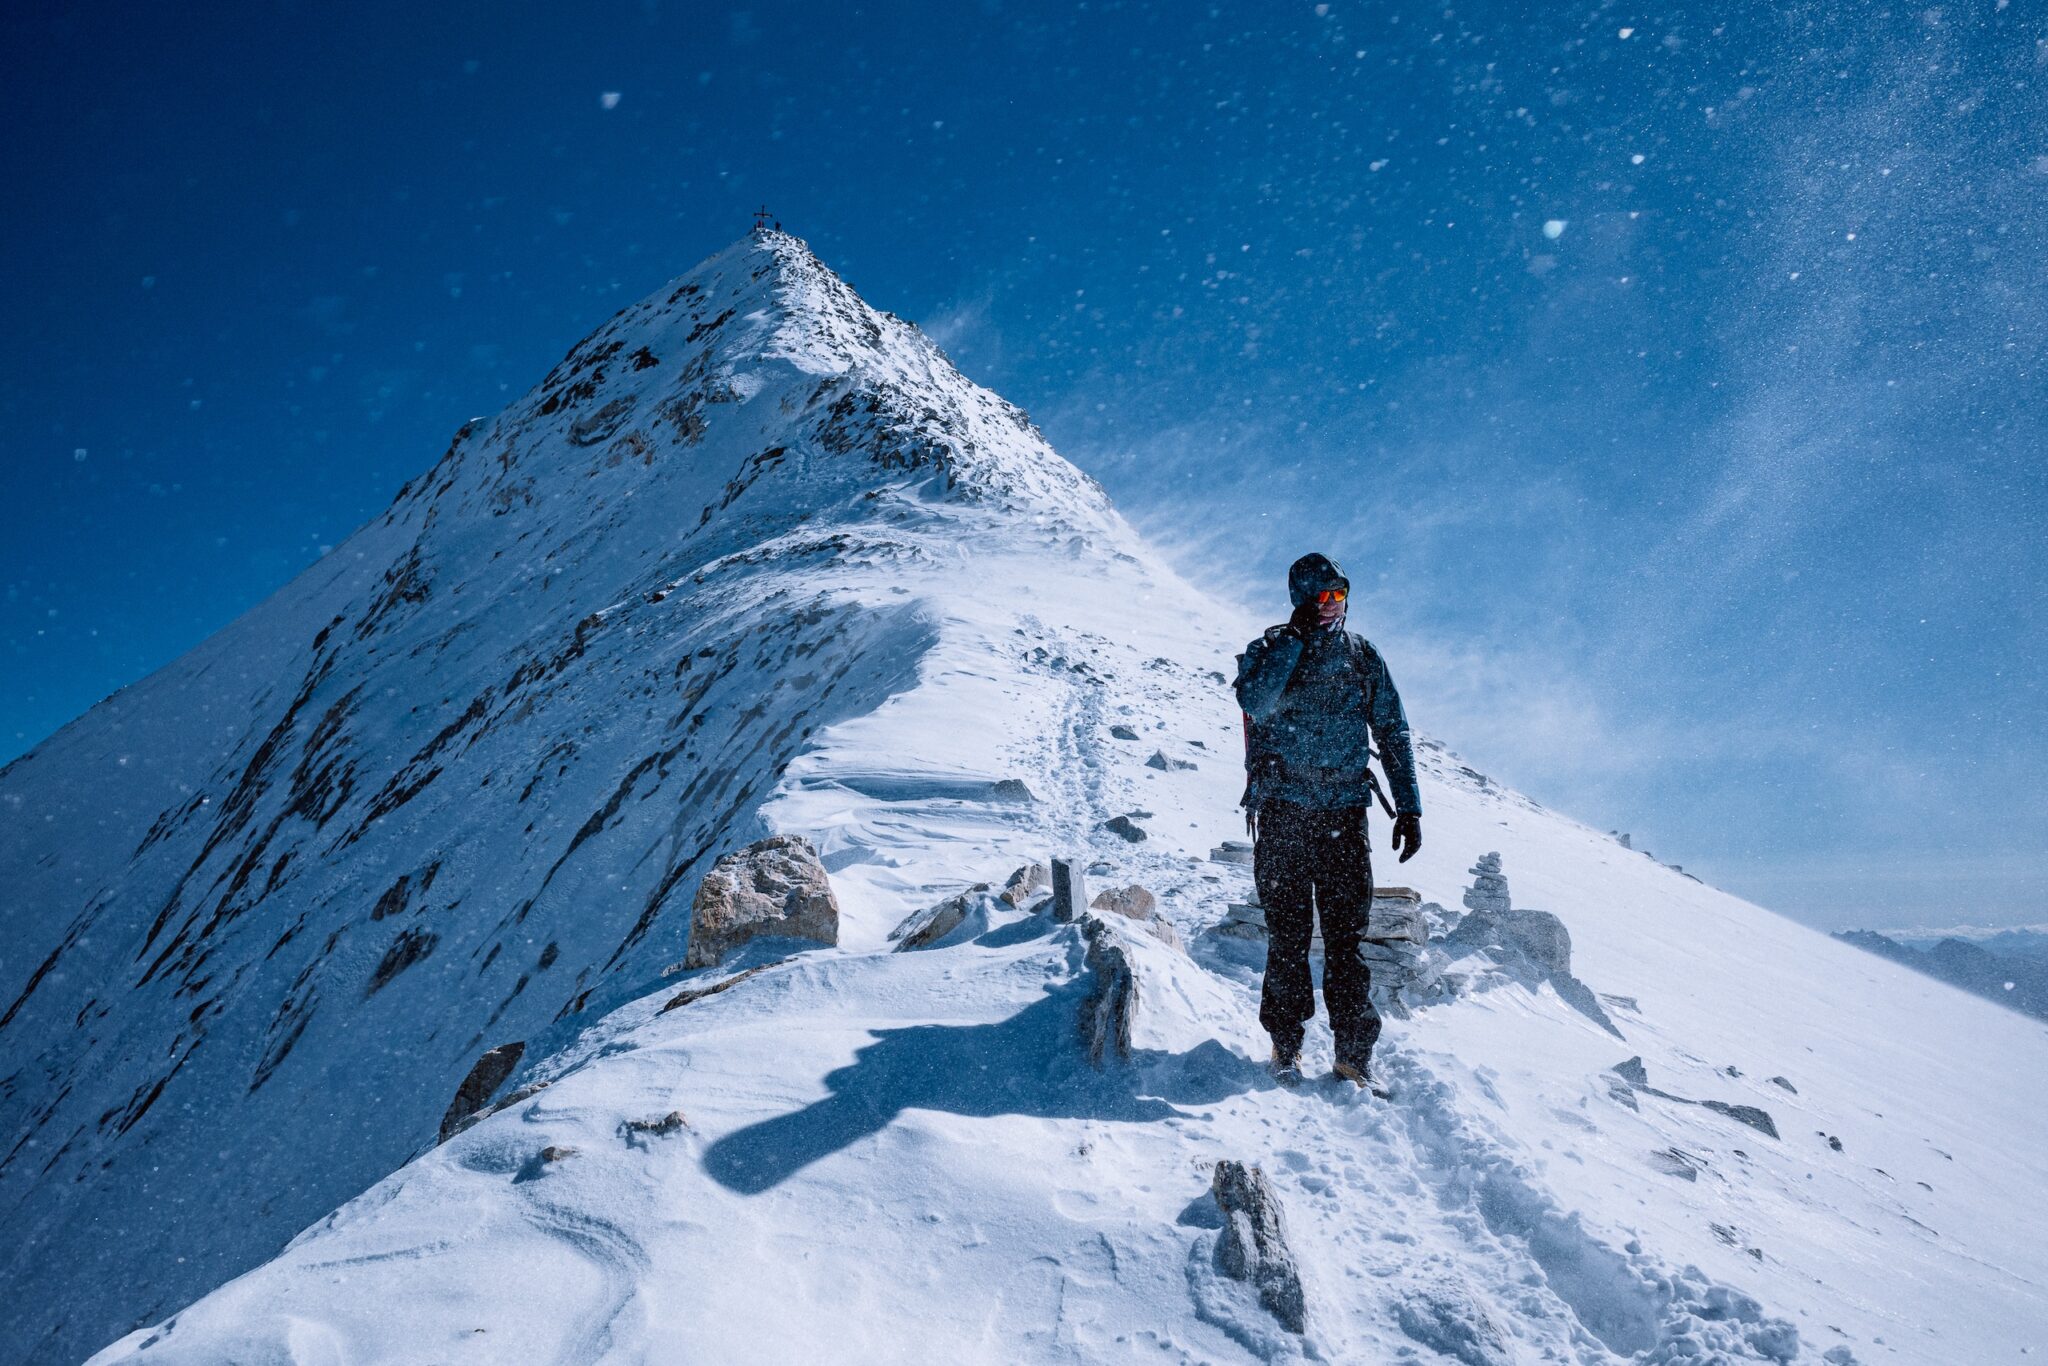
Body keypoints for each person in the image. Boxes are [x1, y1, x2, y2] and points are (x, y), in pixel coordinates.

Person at [1232, 552, 1422, 1094]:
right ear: (1299, 601)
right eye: (1321, 597)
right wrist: (1293, 642)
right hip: (1284, 814)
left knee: (1347, 941)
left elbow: (1393, 731)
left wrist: (1409, 806)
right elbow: (1257, 701)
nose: (1331, 606)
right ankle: (1285, 1044)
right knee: (1287, 938)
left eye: (1338, 595)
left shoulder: (1362, 657)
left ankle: (1353, 1058)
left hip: (1343, 814)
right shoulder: (1270, 650)